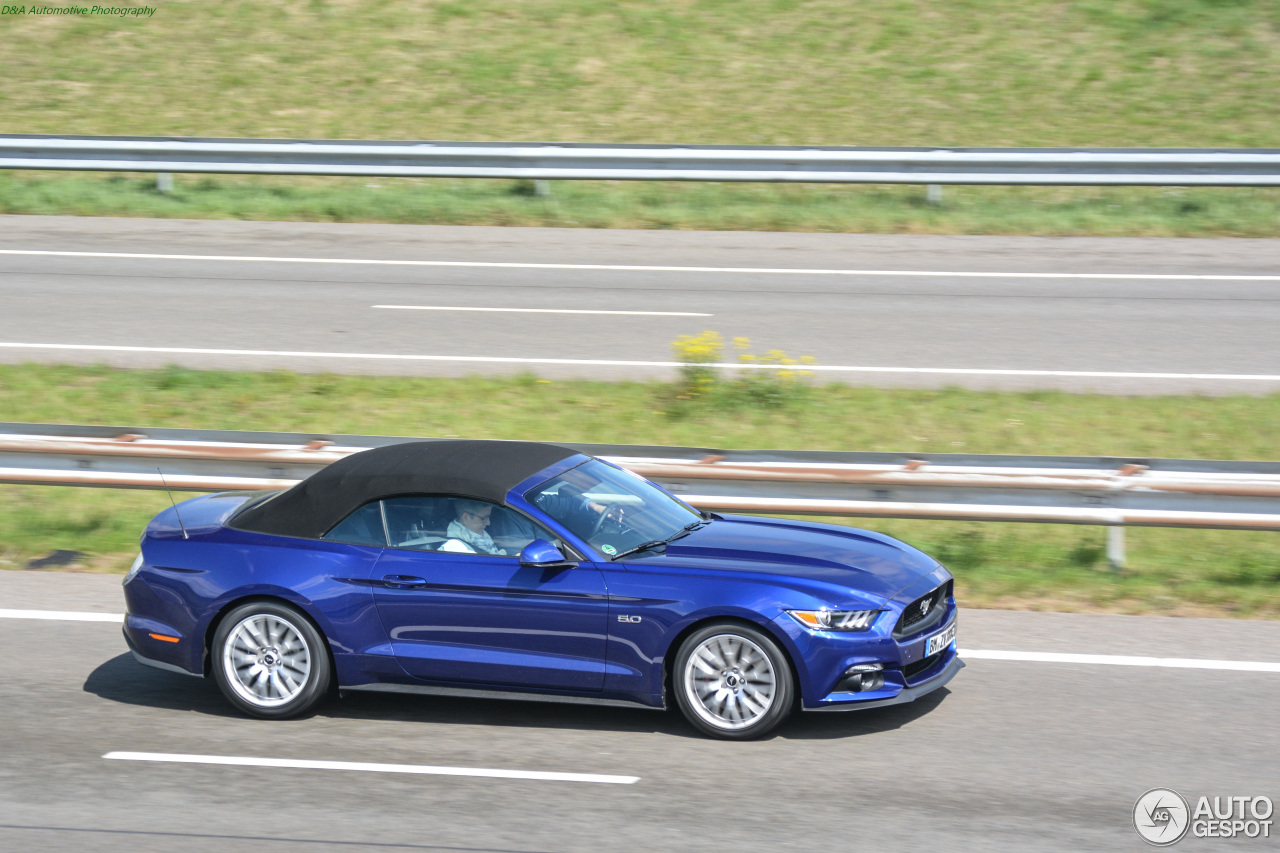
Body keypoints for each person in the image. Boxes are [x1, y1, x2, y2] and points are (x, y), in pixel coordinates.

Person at [439, 499, 507, 555]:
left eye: (488, 517)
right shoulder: (454, 548)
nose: (488, 523)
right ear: (466, 517)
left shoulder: (480, 536)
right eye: (483, 518)